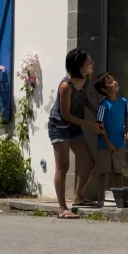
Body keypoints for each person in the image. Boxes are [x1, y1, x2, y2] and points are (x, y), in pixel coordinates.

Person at [48, 48, 104, 219]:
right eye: (89, 62)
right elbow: (66, 115)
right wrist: (90, 125)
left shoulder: (84, 81)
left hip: (74, 125)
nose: (92, 64)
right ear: (79, 67)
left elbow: (84, 98)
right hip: (60, 125)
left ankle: (79, 197)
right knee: (63, 167)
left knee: (88, 161)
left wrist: (95, 111)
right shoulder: (65, 86)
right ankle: (62, 208)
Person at [93, 71, 128, 202]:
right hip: (105, 146)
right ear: (104, 89)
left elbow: (126, 119)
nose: (114, 83)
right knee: (103, 172)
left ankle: (119, 199)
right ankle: (100, 199)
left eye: (114, 80)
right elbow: (99, 126)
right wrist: (108, 143)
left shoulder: (124, 102)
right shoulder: (103, 106)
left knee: (118, 172)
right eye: (110, 82)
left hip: (120, 143)